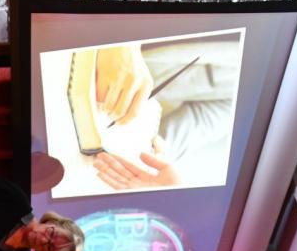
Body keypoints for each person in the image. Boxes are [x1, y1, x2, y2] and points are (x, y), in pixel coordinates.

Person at [88, 37, 240, 191]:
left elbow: (199, 123)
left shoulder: (249, 101)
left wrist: (154, 150)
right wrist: (122, 44)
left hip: (101, 102)